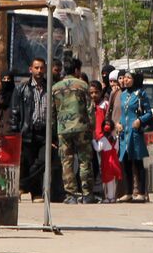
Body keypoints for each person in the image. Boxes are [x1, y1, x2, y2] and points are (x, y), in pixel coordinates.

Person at [52, 57, 99, 203]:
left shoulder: (55, 87)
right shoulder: (82, 85)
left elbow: (52, 112)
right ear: (77, 70)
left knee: (66, 162)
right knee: (85, 161)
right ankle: (87, 194)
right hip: (81, 128)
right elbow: (90, 109)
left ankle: (70, 195)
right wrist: (92, 126)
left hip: (63, 130)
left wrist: (55, 130)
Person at [10, 58, 50, 201]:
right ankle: (36, 193)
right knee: (27, 162)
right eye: (36, 68)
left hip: (45, 133)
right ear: (30, 69)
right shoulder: (22, 88)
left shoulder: (50, 87)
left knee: (42, 162)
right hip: (28, 131)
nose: (39, 71)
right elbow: (15, 111)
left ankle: (22, 185)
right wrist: (15, 132)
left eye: (41, 68)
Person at [115, 71, 153, 202]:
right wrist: (118, 124)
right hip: (124, 133)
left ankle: (142, 193)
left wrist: (139, 120)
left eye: (128, 77)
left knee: (137, 161)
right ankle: (128, 192)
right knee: (125, 161)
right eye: (124, 78)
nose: (125, 80)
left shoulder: (140, 93)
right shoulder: (122, 95)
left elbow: (149, 113)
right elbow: (123, 113)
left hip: (135, 132)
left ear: (134, 79)